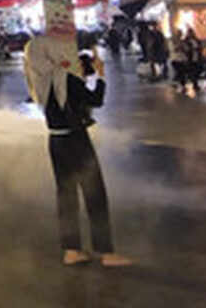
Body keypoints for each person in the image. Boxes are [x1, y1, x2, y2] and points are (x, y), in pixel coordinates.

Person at [24, 35, 131, 267]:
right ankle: (106, 252)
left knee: (66, 195)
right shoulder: (66, 79)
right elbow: (95, 99)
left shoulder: (38, 80)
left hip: (56, 141)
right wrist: (100, 75)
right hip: (76, 140)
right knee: (95, 194)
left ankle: (71, 250)